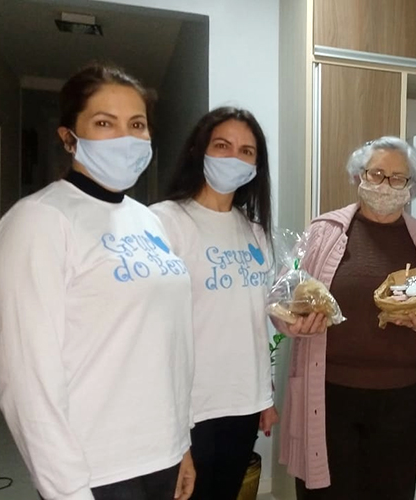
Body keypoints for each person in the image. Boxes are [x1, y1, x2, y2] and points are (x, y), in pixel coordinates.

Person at [0, 64, 195, 500]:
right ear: (69, 137)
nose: (126, 137)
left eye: (136, 124)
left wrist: (182, 445)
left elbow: (170, 345)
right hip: (95, 468)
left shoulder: (148, 220)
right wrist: (66, 489)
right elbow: (27, 380)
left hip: (161, 452)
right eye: (104, 123)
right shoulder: (40, 221)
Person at [273, 136, 416, 500]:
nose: (385, 185)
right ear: (359, 176)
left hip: (403, 401)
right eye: (376, 174)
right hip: (328, 396)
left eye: (398, 178)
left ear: (411, 186)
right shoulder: (323, 232)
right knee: (325, 493)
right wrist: (292, 321)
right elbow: (285, 293)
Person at [150, 106, 278, 499]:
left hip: (242, 404)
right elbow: (154, 331)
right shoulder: (164, 222)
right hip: (190, 409)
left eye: (246, 151)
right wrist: (170, 424)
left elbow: (255, 321)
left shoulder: (254, 231)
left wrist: (264, 397)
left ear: (256, 166)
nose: (234, 158)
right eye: (222, 146)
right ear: (198, 150)